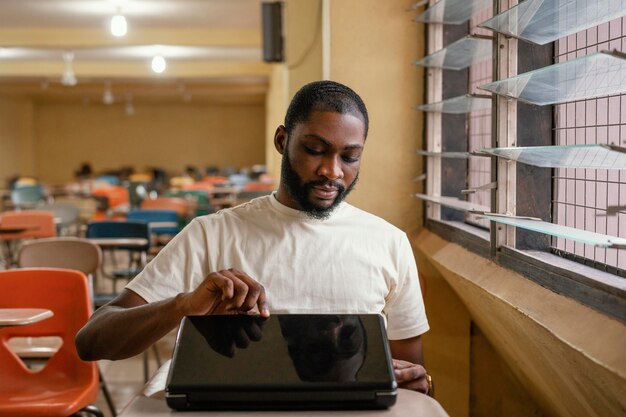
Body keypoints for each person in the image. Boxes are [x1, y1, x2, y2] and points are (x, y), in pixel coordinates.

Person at [76, 80, 431, 394]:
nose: (332, 171)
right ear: (282, 140)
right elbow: (91, 341)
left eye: (350, 156)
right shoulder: (211, 234)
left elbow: (411, 376)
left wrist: (422, 383)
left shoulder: (389, 243)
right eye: (315, 150)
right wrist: (182, 306)